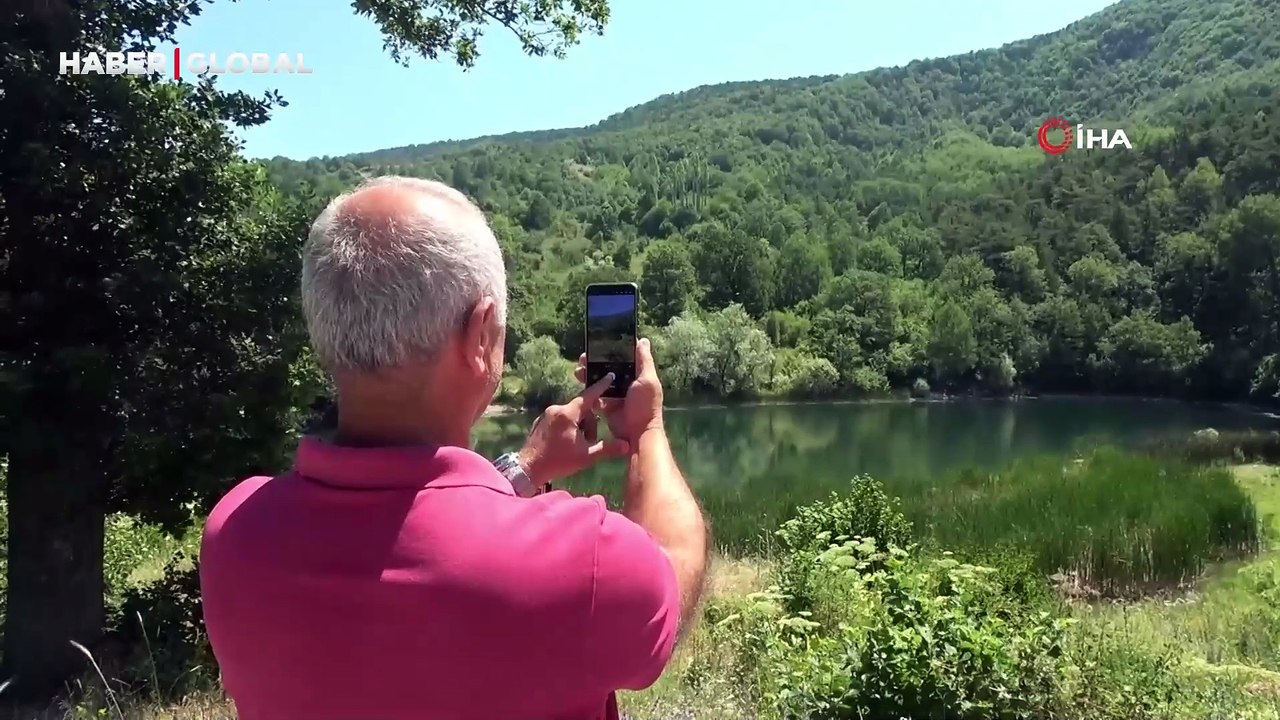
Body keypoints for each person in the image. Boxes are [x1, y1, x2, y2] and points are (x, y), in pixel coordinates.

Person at [199, 176, 709, 720]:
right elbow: (673, 564)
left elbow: (410, 538)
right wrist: (645, 428)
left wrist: (524, 469)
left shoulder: (235, 532)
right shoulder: (585, 561)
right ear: (481, 334)